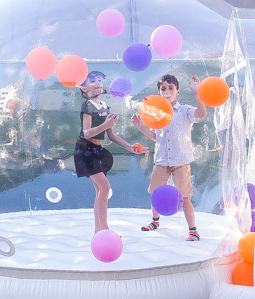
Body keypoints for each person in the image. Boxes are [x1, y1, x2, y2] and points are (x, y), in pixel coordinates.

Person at [131, 74, 206, 241]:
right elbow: (157, 137)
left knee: (184, 197)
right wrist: (141, 127)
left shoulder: (185, 110)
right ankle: (155, 221)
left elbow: (201, 114)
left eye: (170, 88)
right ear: (158, 92)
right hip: (162, 160)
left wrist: (196, 92)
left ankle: (193, 230)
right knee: (156, 193)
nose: (167, 91)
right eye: (163, 88)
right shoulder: (157, 114)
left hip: (181, 161)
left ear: (177, 91)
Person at [75, 70, 139, 234]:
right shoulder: (87, 106)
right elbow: (86, 132)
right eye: (92, 80)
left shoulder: (105, 107)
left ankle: (99, 230)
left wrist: (130, 147)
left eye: (99, 80)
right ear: (84, 88)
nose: (97, 83)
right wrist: (106, 124)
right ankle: (103, 229)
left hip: (97, 150)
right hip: (85, 150)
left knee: (100, 190)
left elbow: (111, 135)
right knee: (105, 188)